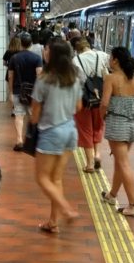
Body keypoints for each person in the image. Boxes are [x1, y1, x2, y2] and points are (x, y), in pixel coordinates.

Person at [31, 38, 83, 233]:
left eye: (47, 49)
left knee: (42, 178)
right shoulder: (75, 78)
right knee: (56, 179)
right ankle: (53, 222)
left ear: (51, 55)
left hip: (51, 132)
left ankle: (66, 210)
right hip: (70, 130)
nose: (44, 51)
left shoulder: (44, 79)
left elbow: (35, 116)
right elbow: (78, 107)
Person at [99, 47, 134, 216]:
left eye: (110, 57)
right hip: (132, 125)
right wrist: (130, 109)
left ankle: (133, 205)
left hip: (117, 124)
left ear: (116, 61)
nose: (109, 60)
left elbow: (104, 103)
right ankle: (112, 195)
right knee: (121, 161)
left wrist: (102, 116)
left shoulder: (110, 78)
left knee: (123, 163)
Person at [71, 36, 110, 173]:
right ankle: (97, 154)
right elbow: (109, 74)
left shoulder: (75, 61)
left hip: (84, 100)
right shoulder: (103, 55)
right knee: (98, 127)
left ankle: (90, 164)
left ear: (77, 50)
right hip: (101, 99)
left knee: (86, 130)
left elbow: (75, 83)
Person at [8, 37, 44, 151]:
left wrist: (11, 92)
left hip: (18, 91)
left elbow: (10, 76)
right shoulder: (37, 58)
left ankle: (19, 140)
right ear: (31, 44)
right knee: (34, 116)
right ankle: (36, 141)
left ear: (21, 44)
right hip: (33, 93)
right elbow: (39, 75)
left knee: (19, 116)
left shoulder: (14, 58)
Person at [4, 37, 25, 116]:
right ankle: (18, 107)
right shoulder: (21, 52)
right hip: (20, 73)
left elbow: (4, 63)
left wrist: (9, 66)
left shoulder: (8, 52)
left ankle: (14, 108)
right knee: (19, 90)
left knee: (11, 91)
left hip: (9, 73)